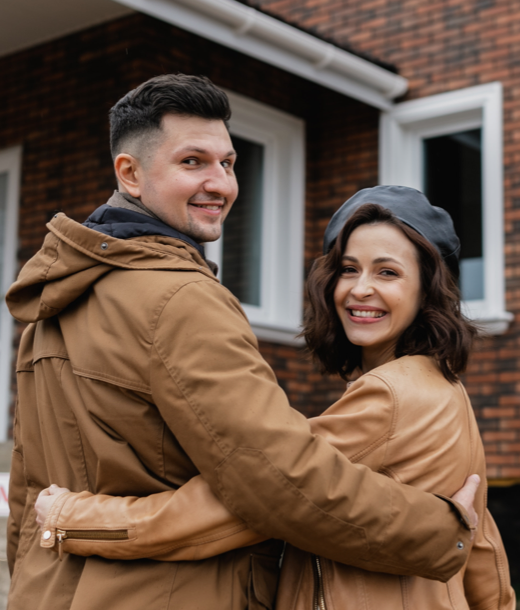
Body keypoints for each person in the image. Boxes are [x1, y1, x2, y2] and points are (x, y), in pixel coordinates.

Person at [6, 73, 477, 610]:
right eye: (193, 162)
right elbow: (279, 482)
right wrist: (441, 530)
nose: (221, 184)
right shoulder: (181, 297)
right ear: (130, 173)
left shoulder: (53, 305)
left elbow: (28, 502)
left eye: (227, 163)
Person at [34, 187, 514, 609]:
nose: (360, 289)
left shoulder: (391, 395)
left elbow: (246, 504)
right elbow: (483, 545)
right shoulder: (447, 390)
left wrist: (75, 519)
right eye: (349, 269)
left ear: (428, 290)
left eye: (387, 272)